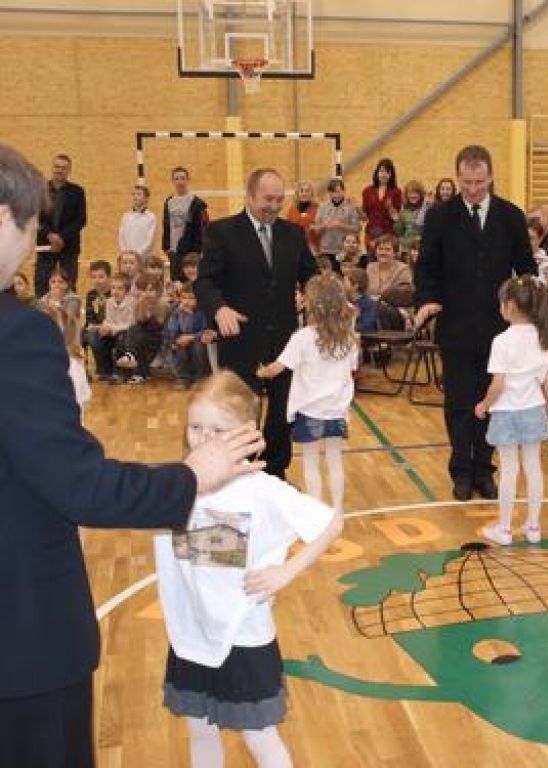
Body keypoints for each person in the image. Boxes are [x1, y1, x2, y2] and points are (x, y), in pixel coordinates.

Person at [0, 141, 264, 768]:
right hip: (22, 641)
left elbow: (270, 539)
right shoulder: (18, 332)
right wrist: (191, 480)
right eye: (33, 227)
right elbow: (79, 486)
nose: (35, 245)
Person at [155, 371, 344, 768]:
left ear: (247, 434)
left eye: (217, 430)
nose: (203, 439)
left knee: (261, 737)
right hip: (192, 633)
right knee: (200, 732)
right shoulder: (179, 484)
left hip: (244, 637)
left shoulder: (261, 489)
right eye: (196, 427)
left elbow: (332, 522)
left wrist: (285, 572)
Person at [414, 144, 535, 501]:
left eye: (479, 182)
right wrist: (427, 300)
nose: (472, 189)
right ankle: (461, 472)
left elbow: (525, 268)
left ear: (491, 177)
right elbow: (427, 268)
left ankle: (485, 469)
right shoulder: (439, 216)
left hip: (501, 332)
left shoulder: (511, 216)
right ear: (457, 177)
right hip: (455, 326)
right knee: (459, 402)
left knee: (493, 401)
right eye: (466, 182)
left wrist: (527, 310)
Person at [195, 167, 319, 478]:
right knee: (239, 413)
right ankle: (240, 474)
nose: (275, 206)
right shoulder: (222, 232)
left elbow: (311, 275)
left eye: (279, 199)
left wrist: (325, 298)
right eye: (268, 199)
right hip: (240, 340)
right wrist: (220, 309)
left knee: (282, 412)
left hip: (284, 342)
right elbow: (204, 282)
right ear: (249, 195)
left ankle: (275, 473)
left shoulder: (293, 233)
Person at [257, 275, 359, 518]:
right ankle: (338, 512)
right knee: (335, 462)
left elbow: (276, 369)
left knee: (311, 463)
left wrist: (259, 370)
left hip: (310, 411)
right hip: (337, 410)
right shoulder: (348, 339)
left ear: (312, 304)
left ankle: (315, 514)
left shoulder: (302, 337)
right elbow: (352, 368)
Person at [474, 275, 548, 543]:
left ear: (509, 307)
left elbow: (498, 384)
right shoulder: (543, 338)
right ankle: (533, 528)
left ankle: (505, 529)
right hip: (533, 409)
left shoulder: (502, 341)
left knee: (509, 469)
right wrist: (546, 405)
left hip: (506, 413)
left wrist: (484, 404)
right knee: (534, 467)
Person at [35, 153, 87, 297]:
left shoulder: (77, 192)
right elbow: (35, 219)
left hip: (69, 245)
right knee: (41, 284)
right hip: (45, 245)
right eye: (57, 166)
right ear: (52, 168)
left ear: (69, 170)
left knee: (69, 284)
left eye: (64, 168)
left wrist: (61, 238)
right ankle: (42, 318)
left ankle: (69, 318)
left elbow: (81, 219)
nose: (59, 170)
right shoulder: (40, 190)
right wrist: (49, 235)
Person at [162, 166, 209, 283]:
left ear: (188, 180)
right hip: (174, 252)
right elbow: (166, 225)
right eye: (176, 178)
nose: (180, 181)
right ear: (173, 181)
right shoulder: (169, 202)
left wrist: (199, 250)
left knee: (192, 283)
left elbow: (203, 228)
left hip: (191, 251)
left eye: (182, 178)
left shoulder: (196, 203)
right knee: (176, 284)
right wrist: (167, 247)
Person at [166, 282, 215, 389]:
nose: (187, 301)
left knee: (198, 347)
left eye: (191, 298)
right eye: (184, 298)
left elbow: (207, 330)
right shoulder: (178, 312)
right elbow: (171, 330)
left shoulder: (203, 312)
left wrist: (190, 337)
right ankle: (183, 378)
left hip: (199, 341)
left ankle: (201, 377)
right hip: (183, 341)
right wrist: (176, 340)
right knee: (177, 347)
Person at [311, 178, 361, 270]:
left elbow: (357, 228)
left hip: (345, 251)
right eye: (333, 192)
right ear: (329, 193)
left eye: (338, 191)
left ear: (344, 191)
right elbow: (315, 229)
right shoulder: (322, 207)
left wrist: (340, 225)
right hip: (326, 249)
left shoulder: (351, 206)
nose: (336, 195)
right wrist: (324, 225)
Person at [361, 158, 402, 249]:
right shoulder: (367, 191)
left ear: (391, 175)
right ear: (377, 172)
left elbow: (396, 218)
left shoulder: (396, 191)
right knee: (372, 261)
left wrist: (390, 207)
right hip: (372, 234)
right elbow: (364, 217)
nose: (384, 175)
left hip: (389, 234)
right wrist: (356, 208)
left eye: (387, 172)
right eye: (382, 171)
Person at [118, 184, 157, 263]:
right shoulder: (126, 216)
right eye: (133, 194)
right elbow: (121, 237)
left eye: (139, 194)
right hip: (127, 259)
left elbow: (149, 241)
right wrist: (125, 254)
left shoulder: (151, 217)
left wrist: (136, 256)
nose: (135, 197)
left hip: (144, 259)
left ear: (146, 198)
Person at [283, 179, 320, 253]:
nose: (304, 193)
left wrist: (316, 228)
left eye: (307, 191)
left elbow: (322, 228)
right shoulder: (292, 210)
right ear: (297, 193)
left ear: (312, 193)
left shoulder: (319, 208)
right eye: (301, 191)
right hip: (296, 247)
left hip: (313, 248)